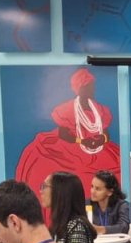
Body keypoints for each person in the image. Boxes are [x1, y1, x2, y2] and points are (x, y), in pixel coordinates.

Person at [14, 66, 121, 198]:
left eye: (92, 86)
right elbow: (63, 134)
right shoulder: (67, 109)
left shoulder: (100, 110)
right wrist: (82, 141)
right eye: (89, 87)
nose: (92, 90)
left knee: (118, 169)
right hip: (72, 146)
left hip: (97, 148)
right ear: (80, 89)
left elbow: (106, 134)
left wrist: (101, 139)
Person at [44, 171, 96, 243]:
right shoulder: (58, 225)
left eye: (45, 187)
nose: (41, 191)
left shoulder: (76, 226)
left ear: (59, 192)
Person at [90, 169, 131, 243]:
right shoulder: (87, 204)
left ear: (110, 192)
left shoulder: (122, 205)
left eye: (98, 189)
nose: (93, 191)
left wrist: (100, 229)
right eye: (92, 186)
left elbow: (123, 227)